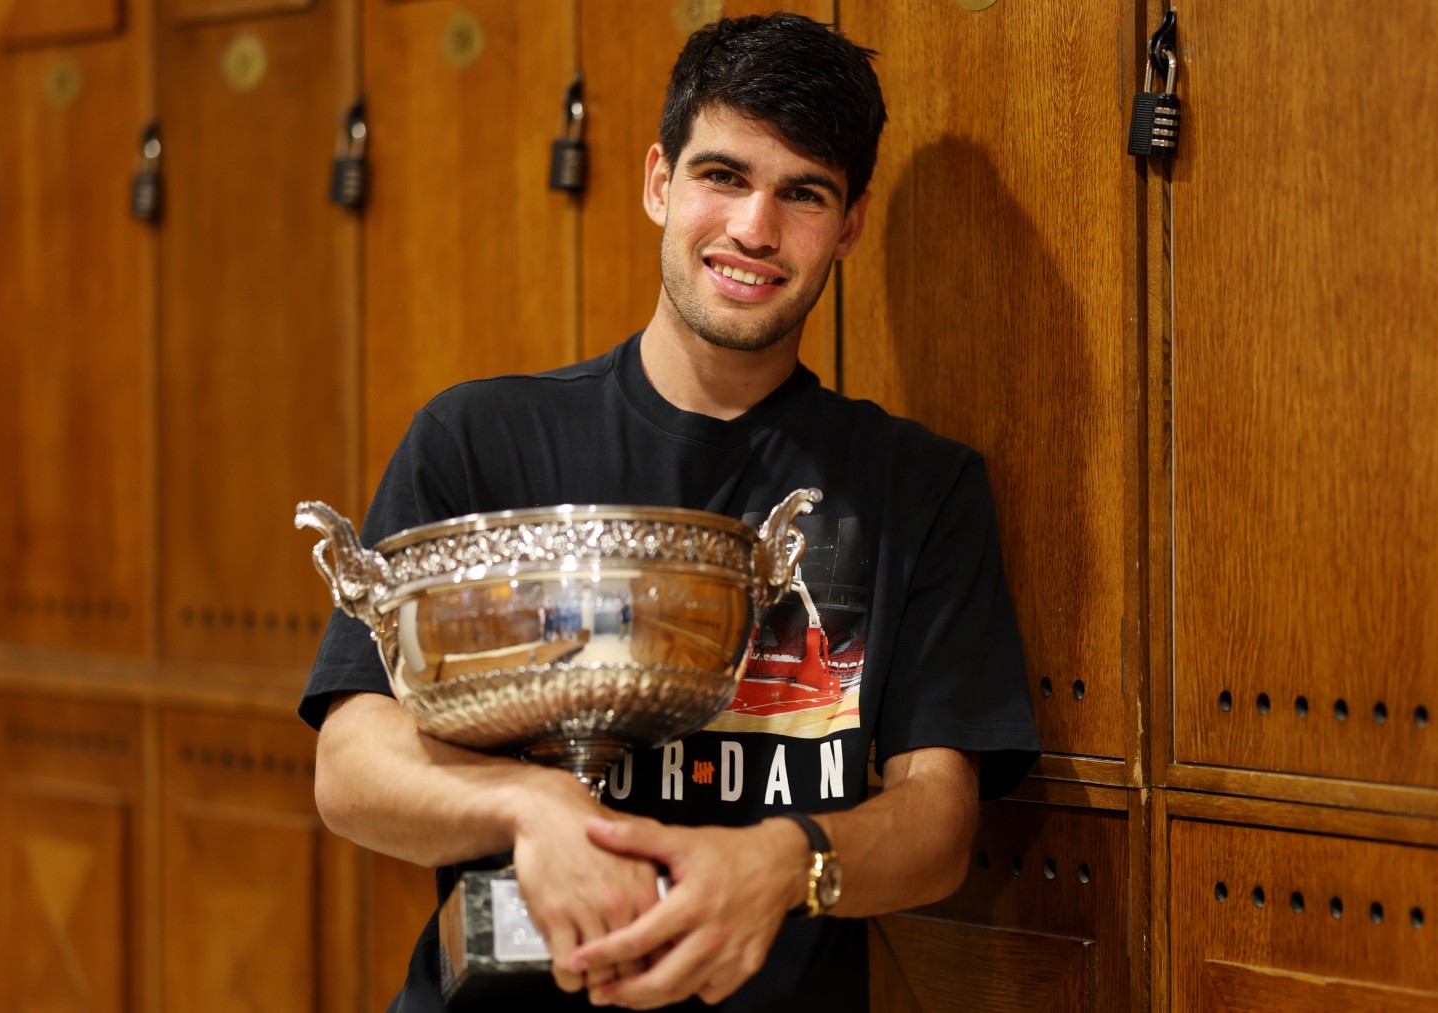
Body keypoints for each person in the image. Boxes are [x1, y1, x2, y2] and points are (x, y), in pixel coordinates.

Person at [301, 13, 1039, 1011]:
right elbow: (351, 764)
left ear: (850, 224)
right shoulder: (479, 440)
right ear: (660, 180)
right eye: (723, 176)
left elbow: (939, 816)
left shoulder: (922, 487)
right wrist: (532, 803)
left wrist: (787, 861)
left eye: (803, 193)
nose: (754, 230)